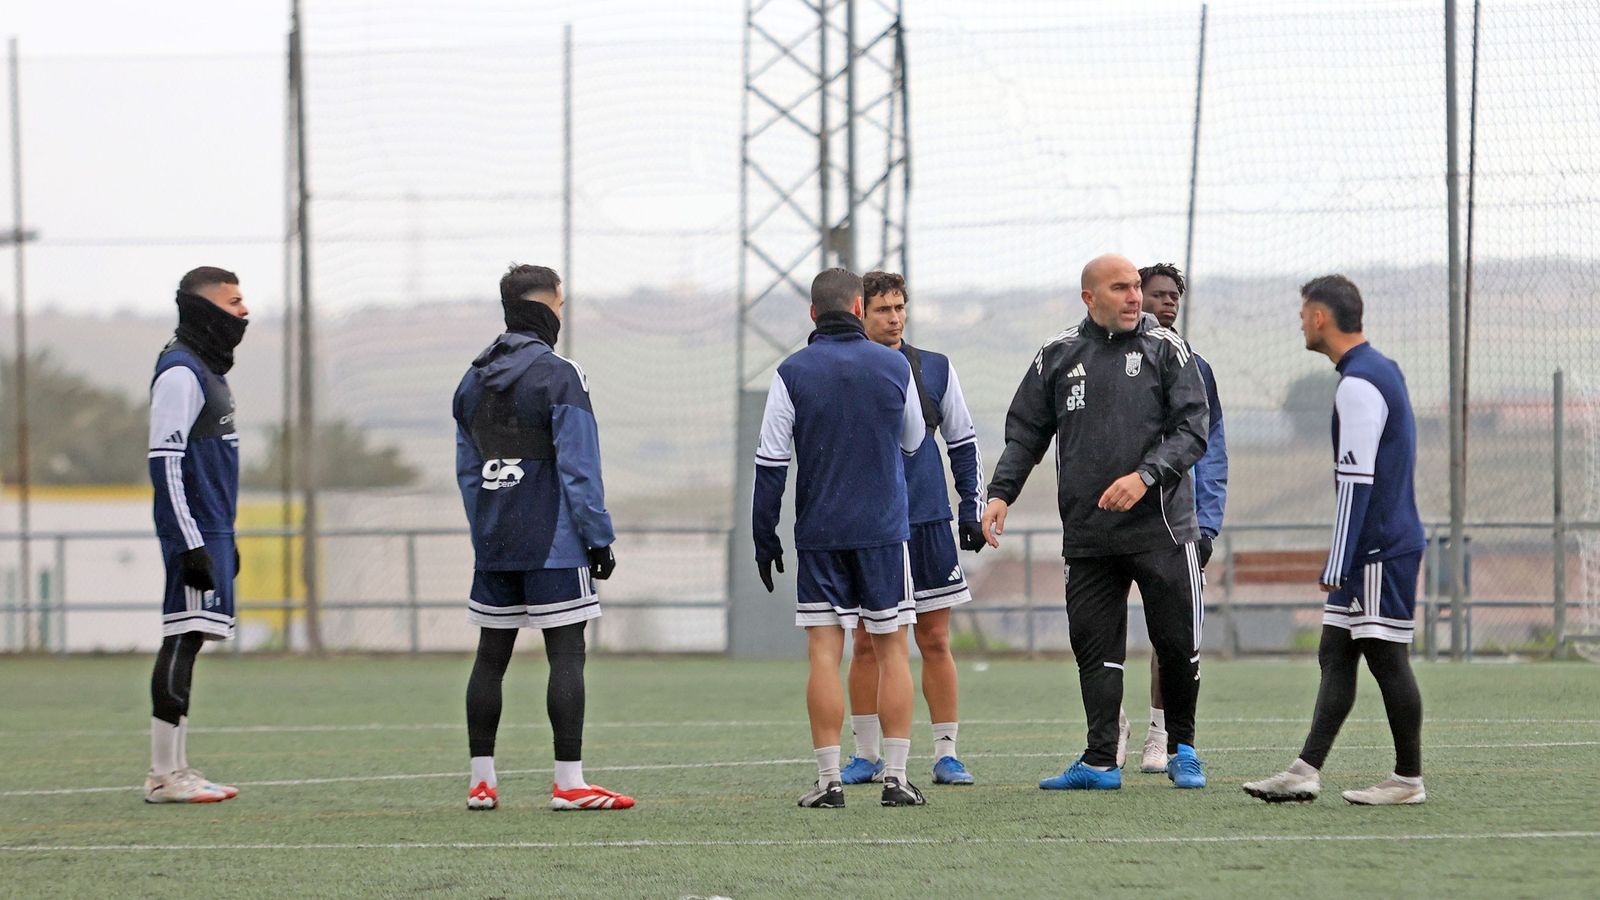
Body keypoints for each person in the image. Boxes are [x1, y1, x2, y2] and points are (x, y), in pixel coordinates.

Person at [982, 253, 1211, 791]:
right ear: (1089, 297)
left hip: (1162, 529)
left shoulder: (1167, 349)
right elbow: (1026, 434)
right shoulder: (1058, 354)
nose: (1134, 297)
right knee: (1095, 650)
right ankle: (1101, 759)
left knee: (1177, 645)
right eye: (1120, 288)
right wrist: (1001, 493)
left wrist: (1145, 477)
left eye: (1135, 287)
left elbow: (1193, 430)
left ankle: (1183, 749)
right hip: (1089, 534)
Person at [453, 264, 633, 812]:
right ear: (547, 306)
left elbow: (468, 472)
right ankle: (569, 784)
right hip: (553, 538)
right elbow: (580, 467)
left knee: (491, 657)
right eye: (561, 305)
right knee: (567, 653)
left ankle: (481, 783)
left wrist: (485, 531)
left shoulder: (472, 379)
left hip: (495, 540)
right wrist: (599, 538)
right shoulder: (561, 375)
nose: (562, 314)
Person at [1243, 275, 1427, 806]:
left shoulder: (1358, 383)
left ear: (1320, 317)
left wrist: (1340, 557)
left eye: (1304, 313)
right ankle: (1304, 771)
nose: (1301, 322)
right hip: (1374, 546)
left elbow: (1357, 480)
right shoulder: (1379, 368)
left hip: (1378, 549)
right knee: (1335, 653)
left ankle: (1408, 781)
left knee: (1387, 657)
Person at [753, 267, 928, 808]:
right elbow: (913, 440)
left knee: (824, 655)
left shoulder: (790, 372)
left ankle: (829, 781)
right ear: (858, 308)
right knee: (892, 649)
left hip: (820, 533)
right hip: (882, 531)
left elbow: (771, 462)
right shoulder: (895, 365)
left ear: (812, 313)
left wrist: (764, 536)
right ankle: (896, 779)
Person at [841, 272, 984, 787]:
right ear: (860, 313)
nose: (895, 318)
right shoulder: (845, 370)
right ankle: (866, 754)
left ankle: (947, 754)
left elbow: (963, 441)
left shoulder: (936, 367)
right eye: (883, 309)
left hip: (927, 521)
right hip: (870, 527)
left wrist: (970, 507)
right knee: (866, 642)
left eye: (900, 308)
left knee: (936, 639)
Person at [144, 266, 251, 803]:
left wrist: (227, 539)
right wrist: (190, 543)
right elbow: (164, 464)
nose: (244, 312)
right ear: (205, 308)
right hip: (196, 531)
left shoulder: (209, 371)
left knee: (191, 639)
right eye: (233, 302)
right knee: (181, 639)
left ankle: (177, 768)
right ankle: (164, 775)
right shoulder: (180, 372)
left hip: (215, 529)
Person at [1133, 263, 1229, 775]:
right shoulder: (1107, 359)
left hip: (1176, 523)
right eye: (1158, 294)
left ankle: (1159, 734)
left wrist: (1207, 521)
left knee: (1172, 635)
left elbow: (1212, 450)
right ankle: (1108, 730)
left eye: (1174, 295)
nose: (1167, 302)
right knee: (1101, 629)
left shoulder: (1197, 367)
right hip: (1113, 521)